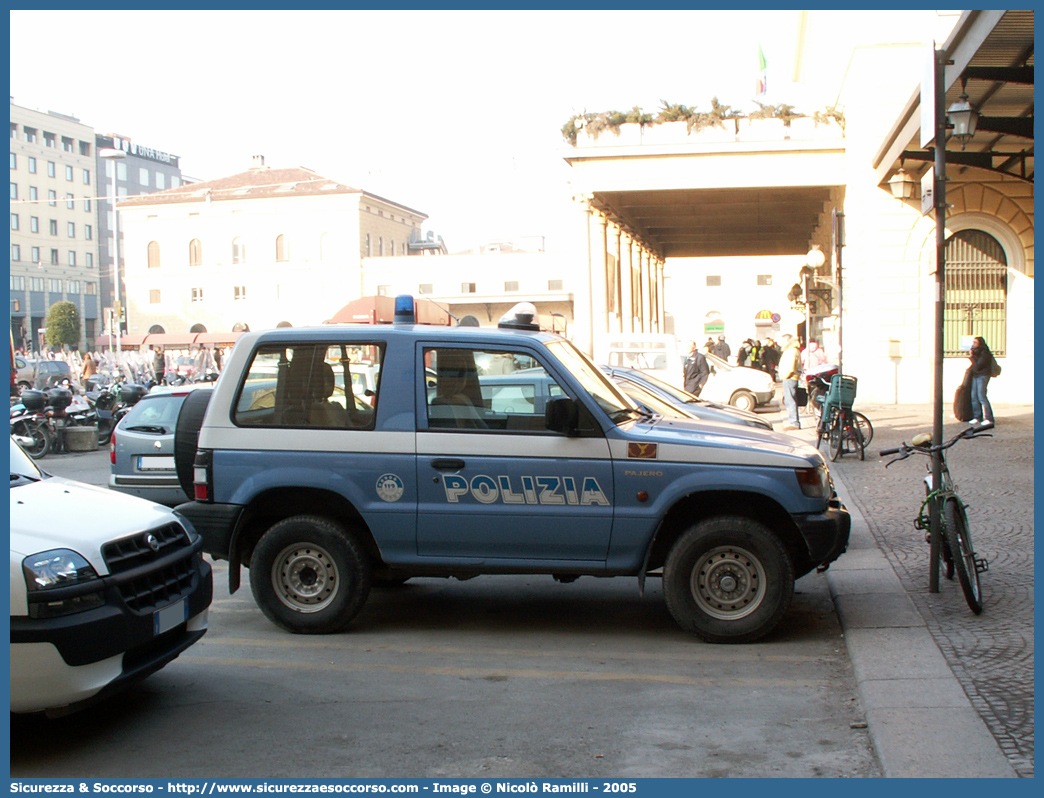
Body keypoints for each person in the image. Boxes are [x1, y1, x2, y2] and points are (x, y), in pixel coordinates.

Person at [968, 336, 996, 428]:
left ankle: (989, 418)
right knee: (974, 396)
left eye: (975, 342)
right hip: (976, 375)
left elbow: (978, 365)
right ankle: (977, 417)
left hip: (983, 375)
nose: (973, 344)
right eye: (973, 342)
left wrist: (971, 357)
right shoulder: (976, 352)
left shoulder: (985, 353)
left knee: (982, 396)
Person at [778, 335, 803, 431]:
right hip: (791, 377)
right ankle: (794, 422)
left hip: (790, 377)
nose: (782, 343)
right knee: (790, 399)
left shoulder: (791, 351)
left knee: (790, 400)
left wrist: (785, 375)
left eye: (783, 340)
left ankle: (794, 423)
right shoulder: (792, 350)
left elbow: (790, 366)